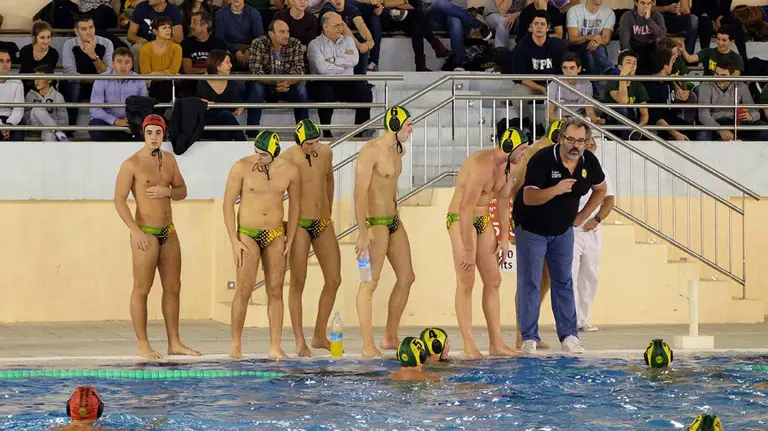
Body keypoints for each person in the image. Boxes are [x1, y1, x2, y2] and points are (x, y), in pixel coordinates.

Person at [513, 117, 607, 354]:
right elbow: (528, 197)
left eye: (581, 141)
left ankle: (569, 336)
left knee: (564, 281)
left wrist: (583, 216)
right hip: (531, 228)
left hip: (562, 230)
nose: (576, 145)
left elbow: (601, 190)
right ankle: (528, 338)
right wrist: (555, 189)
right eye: (571, 139)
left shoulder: (589, 162)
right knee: (530, 282)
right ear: (561, 138)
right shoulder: (542, 160)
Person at [113, 114, 200, 360]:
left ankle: (175, 342)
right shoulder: (131, 164)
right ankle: (143, 343)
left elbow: (182, 191)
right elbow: (119, 201)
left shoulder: (170, 160)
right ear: (143, 134)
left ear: (164, 135)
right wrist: (135, 230)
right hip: (145, 233)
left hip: (169, 232)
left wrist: (168, 191)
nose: (154, 137)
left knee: (173, 288)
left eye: (158, 133)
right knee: (142, 289)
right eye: (150, 132)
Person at [447, 127, 528, 359]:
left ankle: (496, 343)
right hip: (460, 220)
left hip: (483, 221)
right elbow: (465, 208)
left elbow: (503, 199)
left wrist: (503, 235)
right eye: (521, 149)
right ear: (510, 145)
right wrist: (467, 248)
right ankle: (469, 344)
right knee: (467, 279)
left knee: (494, 280)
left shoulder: (510, 166)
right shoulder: (481, 165)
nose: (523, 154)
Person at [224, 131, 301, 360]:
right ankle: (236, 345)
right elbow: (228, 204)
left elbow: (295, 207)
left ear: (275, 153)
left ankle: (275, 346)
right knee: (244, 290)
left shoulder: (289, 171)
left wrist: (292, 237)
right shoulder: (241, 167)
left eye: (263, 155)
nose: (258, 157)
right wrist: (233, 240)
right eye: (256, 153)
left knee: (275, 290)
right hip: (247, 234)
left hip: (276, 234)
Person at [354, 106, 416, 358]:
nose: (411, 129)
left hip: (393, 220)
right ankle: (368, 345)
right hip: (375, 223)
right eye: (408, 125)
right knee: (370, 283)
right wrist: (361, 231)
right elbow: (359, 194)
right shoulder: (370, 151)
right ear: (395, 125)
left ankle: (390, 336)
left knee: (407, 277)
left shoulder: (398, 150)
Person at [281, 119, 341, 357]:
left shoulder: (326, 152)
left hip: (323, 222)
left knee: (334, 279)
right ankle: (299, 340)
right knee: (298, 282)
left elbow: (329, 180)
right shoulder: (286, 159)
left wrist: (328, 209)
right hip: (300, 225)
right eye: (309, 144)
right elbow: (276, 192)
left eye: (316, 142)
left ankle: (319, 334)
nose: (313, 147)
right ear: (299, 142)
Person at [509, 120, 565, 350]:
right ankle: (522, 333)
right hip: (530, 224)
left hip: (546, 224)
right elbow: (515, 189)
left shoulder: (549, 154)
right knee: (529, 280)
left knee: (544, 279)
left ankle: (529, 329)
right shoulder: (535, 154)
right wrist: (514, 221)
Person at [571, 137, 613, 332]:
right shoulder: (570, 167)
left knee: (590, 276)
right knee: (569, 275)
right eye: (586, 145)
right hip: (571, 229)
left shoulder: (601, 172)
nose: (589, 148)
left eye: (592, 146)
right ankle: (571, 319)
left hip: (592, 230)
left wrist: (597, 220)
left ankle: (584, 318)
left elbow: (609, 200)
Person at [307, 12, 372, 137]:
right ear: (325, 26)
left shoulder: (348, 40)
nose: (340, 28)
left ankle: (359, 132)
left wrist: (332, 60)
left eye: (341, 24)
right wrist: (343, 66)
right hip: (323, 82)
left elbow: (354, 60)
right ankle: (326, 132)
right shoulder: (314, 45)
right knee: (325, 93)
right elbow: (322, 69)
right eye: (336, 25)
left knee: (365, 92)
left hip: (346, 81)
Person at [246, 19, 309, 128]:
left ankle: (304, 131)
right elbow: (255, 72)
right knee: (256, 87)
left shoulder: (295, 44)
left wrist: (285, 82)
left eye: (287, 31)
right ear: (271, 34)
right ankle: (252, 131)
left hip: (287, 86)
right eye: (282, 32)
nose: (286, 35)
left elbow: (299, 71)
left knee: (301, 87)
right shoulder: (258, 43)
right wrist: (277, 82)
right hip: (266, 86)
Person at [61, 15, 114, 130]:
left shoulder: (106, 43)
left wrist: (93, 55)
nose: (89, 32)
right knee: (71, 84)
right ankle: (70, 128)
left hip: (99, 85)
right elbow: (70, 73)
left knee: (108, 85)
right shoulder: (69, 44)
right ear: (76, 31)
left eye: (91, 27)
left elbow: (109, 73)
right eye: (84, 29)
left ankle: (103, 128)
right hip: (78, 84)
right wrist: (95, 79)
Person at [697, 59, 768, 142]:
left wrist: (751, 117)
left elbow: (755, 112)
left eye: (723, 75)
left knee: (763, 128)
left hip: (735, 122)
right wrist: (721, 130)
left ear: (732, 75)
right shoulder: (705, 85)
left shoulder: (741, 86)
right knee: (702, 135)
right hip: (713, 122)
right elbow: (703, 115)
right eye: (717, 74)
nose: (718, 78)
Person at [89, 47, 148, 142]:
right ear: (113, 63)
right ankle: (100, 155)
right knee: (95, 125)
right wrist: (115, 121)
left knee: (143, 127)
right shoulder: (101, 79)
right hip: (108, 123)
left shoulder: (139, 80)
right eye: (119, 62)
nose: (123, 66)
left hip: (130, 123)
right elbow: (95, 110)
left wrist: (132, 120)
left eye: (127, 62)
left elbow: (144, 108)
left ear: (132, 64)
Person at [508, 11, 568, 97]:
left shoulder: (557, 45)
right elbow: (518, 76)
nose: (539, 27)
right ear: (531, 26)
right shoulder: (522, 46)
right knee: (518, 92)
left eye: (542, 24)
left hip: (555, 85)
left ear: (548, 28)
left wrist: (553, 87)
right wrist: (541, 88)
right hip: (532, 86)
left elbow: (568, 69)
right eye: (536, 24)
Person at [644, 48, 696, 141]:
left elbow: (670, 101)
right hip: (659, 125)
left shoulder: (667, 81)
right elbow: (657, 118)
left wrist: (679, 97)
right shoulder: (651, 87)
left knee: (694, 131)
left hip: (672, 119)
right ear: (665, 67)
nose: (673, 64)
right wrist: (676, 134)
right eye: (672, 62)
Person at [197, 49, 246, 141]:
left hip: (224, 125)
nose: (231, 65)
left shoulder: (233, 84)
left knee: (225, 124)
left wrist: (239, 108)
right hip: (204, 126)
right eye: (227, 62)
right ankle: (244, 144)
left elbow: (234, 106)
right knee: (225, 116)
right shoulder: (200, 83)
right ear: (217, 66)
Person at [427, 0, 491, 69]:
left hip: (452, 17)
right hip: (433, 18)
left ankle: (458, 63)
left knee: (455, 20)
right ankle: (478, 25)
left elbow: (461, 9)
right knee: (440, 3)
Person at [319, 0, 377, 75]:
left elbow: (361, 25)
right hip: (329, 46)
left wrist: (369, 40)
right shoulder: (327, 9)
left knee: (362, 43)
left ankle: (361, 80)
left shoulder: (351, 8)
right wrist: (358, 45)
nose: (337, 0)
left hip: (345, 44)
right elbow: (343, 27)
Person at [566, 0, 614, 84]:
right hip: (577, 47)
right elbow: (572, 39)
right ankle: (609, 68)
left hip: (597, 48)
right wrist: (590, 37)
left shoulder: (609, 13)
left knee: (593, 51)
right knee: (592, 52)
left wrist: (597, 41)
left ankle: (594, 88)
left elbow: (606, 39)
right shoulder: (574, 10)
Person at [603, 50, 648, 139]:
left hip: (631, 122)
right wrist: (622, 77)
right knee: (621, 109)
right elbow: (622, 101)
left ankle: (633, 134)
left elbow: (645, 114)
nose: (632, 66)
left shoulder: (638, 86)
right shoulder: (612, 82)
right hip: (612, 121)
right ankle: (630, 136)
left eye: (635, 63)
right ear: (620, 67)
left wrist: (638, 127)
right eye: (628, 63)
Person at [547, 52, 603, 124]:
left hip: (579, 121)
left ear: (579, 69)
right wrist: (565, 121)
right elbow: (550, 113)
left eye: (572, 68)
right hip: (559, 121)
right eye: (565, 68)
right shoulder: (554, 84)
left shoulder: (586, 84)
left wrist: (595, 120)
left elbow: (589, 110)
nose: (568, 71)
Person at [180, 10, 227, 96]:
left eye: (194, 23)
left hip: (214, 83)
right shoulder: (186, 43)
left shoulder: (219, 44)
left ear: (205, 26)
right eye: (191, 23)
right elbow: (187, 70)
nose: (190, 26)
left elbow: (222, 69)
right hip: (192, 84)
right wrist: (208, 70)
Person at [128, 0, 184, 71]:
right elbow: (130, 35)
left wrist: (158, 41)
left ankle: (166, 77)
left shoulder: (173, 10)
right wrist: (138, 39)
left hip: (165, 43)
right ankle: (140, 80)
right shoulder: (141, 7)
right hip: (144, 43)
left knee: (176, 48)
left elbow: (178, 38)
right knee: (137, 49)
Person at [140, 17, 183, 103]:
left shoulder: (176, 48)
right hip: (153, 85)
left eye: (169, 27)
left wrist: (155, 73)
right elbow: (147, 75)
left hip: (171, 83)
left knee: (165, 86)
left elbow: (174, 71)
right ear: (155, 31)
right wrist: (163, 74)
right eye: (164, 28)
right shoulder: (145, 49)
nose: (168, 30)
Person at [618, 0, 666, 75]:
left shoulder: (657, 16)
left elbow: (662, 35)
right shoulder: (627, 16)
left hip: (651, 47)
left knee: (662, 53)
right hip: (634, 47)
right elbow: (624, 42)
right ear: (636, 3)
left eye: (648, 3)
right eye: (643, 3)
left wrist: (648, 19)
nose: (646, 6)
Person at [23, 65, 68, 142]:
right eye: (35, 78)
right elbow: (24, 118)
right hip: (34, 128)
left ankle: (49, 153)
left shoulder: (58, 97)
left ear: (49, 80)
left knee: (49, 133)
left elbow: (65, 121)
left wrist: (49, 122)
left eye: (40, 78)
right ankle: (57, 132)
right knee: (37, 108)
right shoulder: (30, 95)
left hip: (49, 130)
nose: (36, 81)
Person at [215, 0, 264, 71]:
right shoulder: (220, 13)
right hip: (228, 47)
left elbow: (260, 37)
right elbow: (219, 38)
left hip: (250, 46)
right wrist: (235, 50)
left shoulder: (254, 13)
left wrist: (250, 49)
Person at [677, 25, 743, 76]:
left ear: (732, 41)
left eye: (724, 40)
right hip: (706, 86)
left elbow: (735, 77)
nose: (720, 43)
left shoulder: (737, 58)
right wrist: (683, 50)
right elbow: (690, 59)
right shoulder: (707, 51)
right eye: (718, 39)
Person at [19, 21, 60, 94]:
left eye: (48, 37)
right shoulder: (25, 51)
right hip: (26, 86)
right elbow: (25, 74)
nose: (46, 41)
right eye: (42, 38)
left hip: (45, 87)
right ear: (34, 37)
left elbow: (49, 75)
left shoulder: (53, 53)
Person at [0, 49, 25, 142]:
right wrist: (2, 126)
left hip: (10, 119)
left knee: (19, 130)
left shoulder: (17, 82)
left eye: (8, 61)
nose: (5, 64)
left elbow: (19, 109)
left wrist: (9, 125)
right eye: (1, 61)